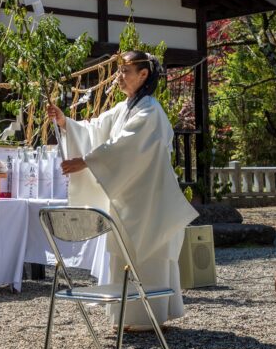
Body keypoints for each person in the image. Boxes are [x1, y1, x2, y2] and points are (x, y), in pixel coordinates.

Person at [47, 51, 198, 329]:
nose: (120, 77)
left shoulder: (150, 110)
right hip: (126, 197)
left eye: (126, 71)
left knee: (148, 255)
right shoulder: (124, 108)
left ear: (143, 75)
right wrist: (65, 123)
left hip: (148, 197)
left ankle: (149, 317)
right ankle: (128, 315)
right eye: (119, 71)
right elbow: (95, 130)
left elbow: (126, 147)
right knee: (125, 255)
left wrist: (86, 161)